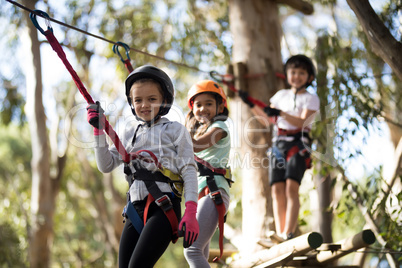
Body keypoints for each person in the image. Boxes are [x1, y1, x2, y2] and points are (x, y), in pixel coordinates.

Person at [86, 65, 199, 267]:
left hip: (164, 207)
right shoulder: (130, 133)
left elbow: (189, 170)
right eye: (138, 100)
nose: (144, 105)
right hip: (134, 209)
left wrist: (191, 211)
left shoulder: (175, 130)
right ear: (131, 103)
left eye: (152, 99)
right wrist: (98, 132)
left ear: (164, 101)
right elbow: (106, 165)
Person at [239, 55, 320, 241]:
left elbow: (302, 122)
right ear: (287, 74)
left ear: (309, 77)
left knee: (292, 187)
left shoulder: (310, 98)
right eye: (293, 72)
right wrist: (250, 103)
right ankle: (280, 232)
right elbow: (266, 120)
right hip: (279, 144)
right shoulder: (280, 96)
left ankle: (288, 233)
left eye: (301, 73)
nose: (297, 76)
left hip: (298, 144)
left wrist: (281, 113)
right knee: (277, 189)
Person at [184, 80, 232, 267]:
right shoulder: (196, 133)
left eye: (209, 104)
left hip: (214, 191)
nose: (203, 108)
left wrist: (173, 132)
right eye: (198, 104)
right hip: (201, 194)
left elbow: (197, 145)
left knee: (192, 250)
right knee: (200, 251)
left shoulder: (220, 128)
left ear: (220, 107)